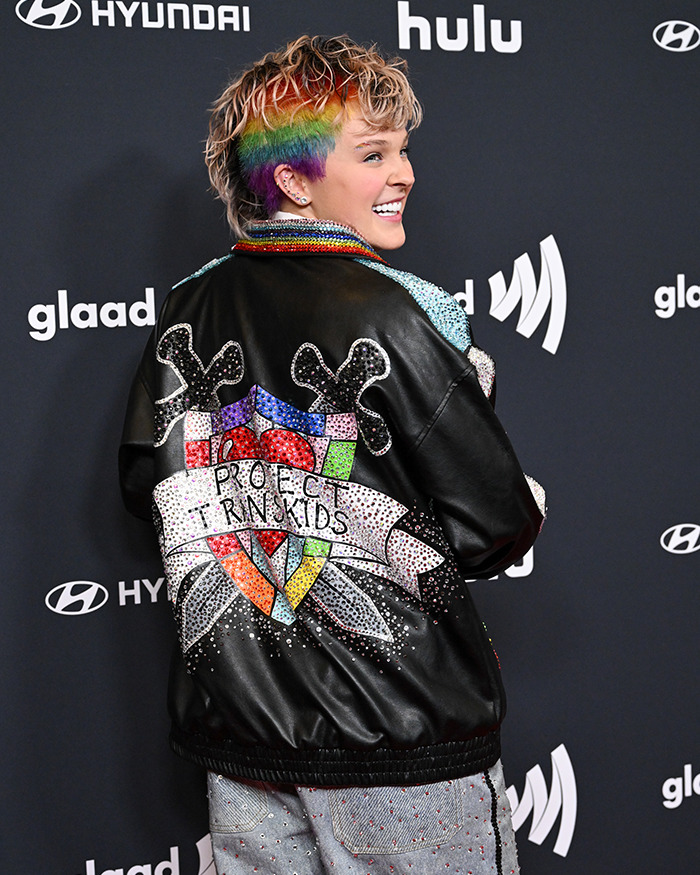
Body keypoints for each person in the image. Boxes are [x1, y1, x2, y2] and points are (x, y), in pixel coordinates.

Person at [119, 34, 545, 875]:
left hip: (243, 739)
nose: (405, 172)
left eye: (403, 149)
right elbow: (494, 525)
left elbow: (150, 486)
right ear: (292, 180)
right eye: (374, 153)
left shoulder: (187, 308)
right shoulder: (406, 312)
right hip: (400, 740)